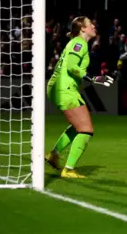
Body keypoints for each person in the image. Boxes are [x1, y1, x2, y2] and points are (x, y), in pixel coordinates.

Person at [45, 16, 113, 178]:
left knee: (78, 126)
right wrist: (94, 78)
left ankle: (54, 155)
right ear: (82, 28)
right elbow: (71, 67)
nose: (94, 26)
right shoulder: (79, 43)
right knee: (86, 129)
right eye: (90, 24)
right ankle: (68, 169)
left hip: (61, 87)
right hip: (64, 88)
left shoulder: (76, 43)